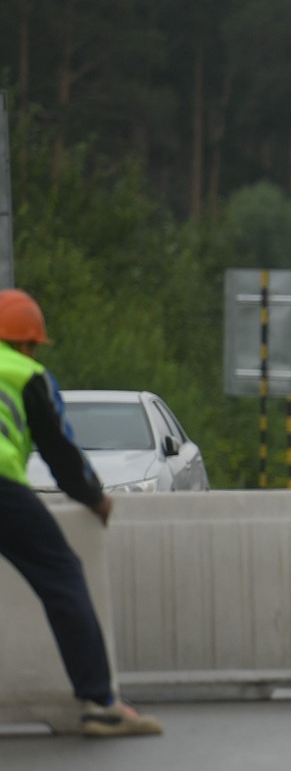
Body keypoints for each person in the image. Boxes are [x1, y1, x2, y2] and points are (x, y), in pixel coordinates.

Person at [0, 290, 162, 737]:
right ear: (28, 343)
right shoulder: (27, 375)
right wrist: (94, 497)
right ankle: (100, 703)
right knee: (62, 575)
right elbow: (59, 452)